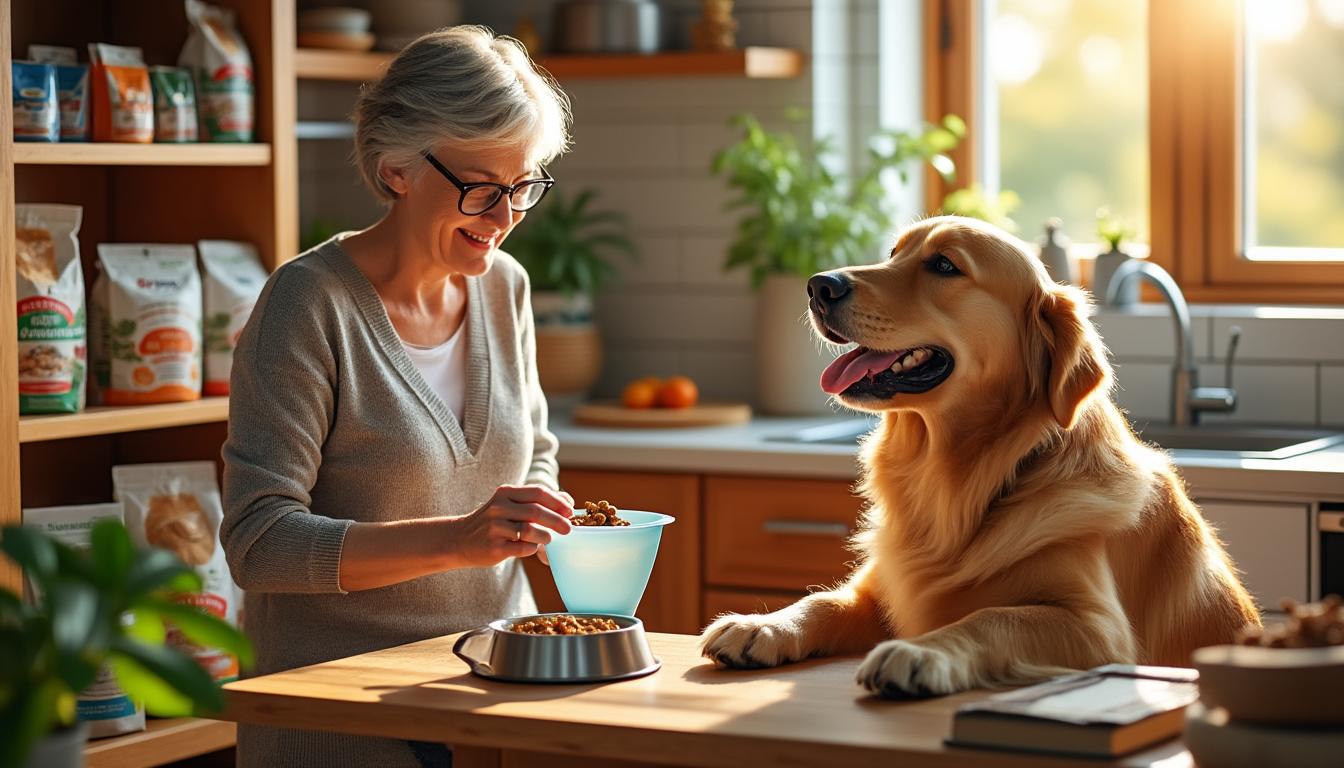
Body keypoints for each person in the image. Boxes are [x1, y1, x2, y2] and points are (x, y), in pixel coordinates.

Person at [220, 26, 574, 768]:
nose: (505, 216)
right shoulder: (307, 304)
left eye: (525, 185)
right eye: (482, 187)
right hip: (342, 716)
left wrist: (536, 512)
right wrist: (457, 539)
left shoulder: (504, 288)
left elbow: (532, 452)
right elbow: (260, 542)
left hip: (494, 697)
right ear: (398, 171)